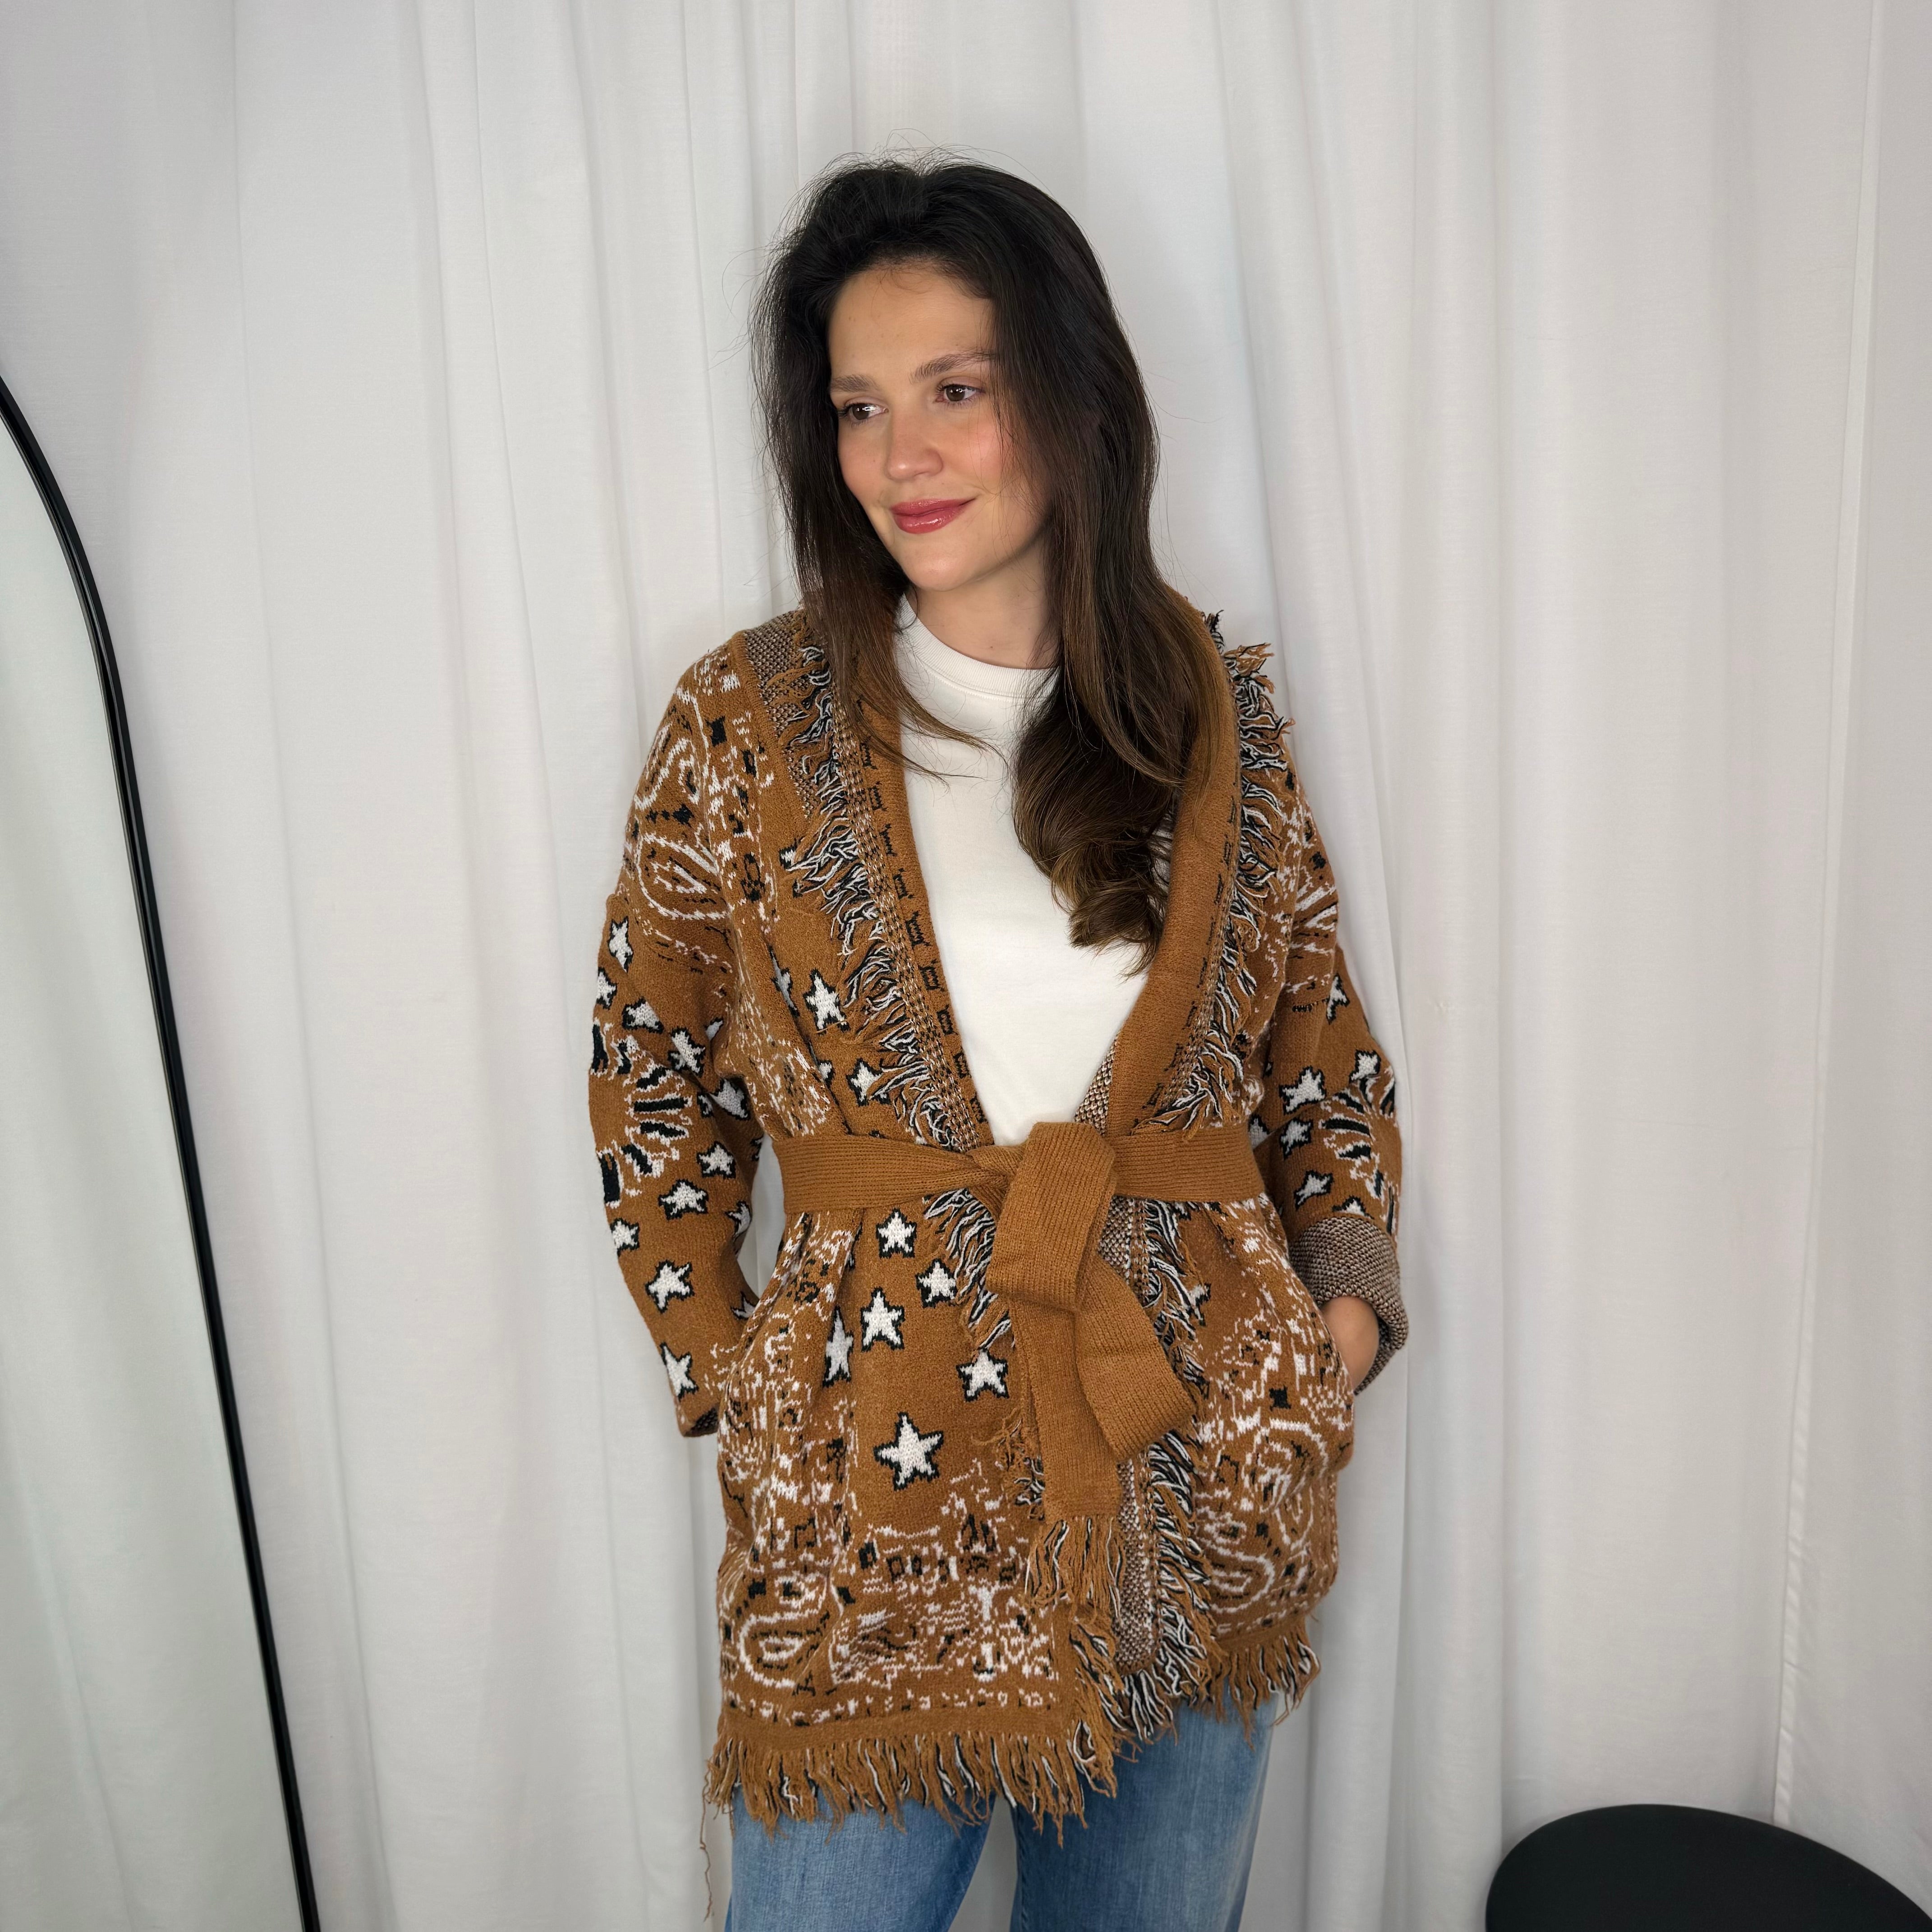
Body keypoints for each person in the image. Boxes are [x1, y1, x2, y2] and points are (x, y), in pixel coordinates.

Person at [586, 154, 1406, 1932]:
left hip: (1197, 1480)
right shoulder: (745, 726)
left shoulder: (1213, 719)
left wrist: (1330, 1330)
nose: (904, 456)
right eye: (858, 408)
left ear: (1072, 393)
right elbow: (652, 1078)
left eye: (956, 389)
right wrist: (744, 1387)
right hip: (872, 1522)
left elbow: (1320, 1057)